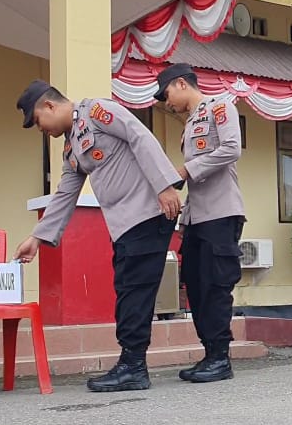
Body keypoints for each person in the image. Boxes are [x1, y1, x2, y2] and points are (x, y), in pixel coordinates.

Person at [13, 80, 182, 392]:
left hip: (147, 212)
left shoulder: (97, 112)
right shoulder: (72, 145)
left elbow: (140, 135)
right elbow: (65, 194)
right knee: (128, 289)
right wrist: (37, 238)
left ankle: (133, 366)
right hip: (125, 224)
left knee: (134, 290)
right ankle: (132, 363)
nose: (41, 130)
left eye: (38, 121)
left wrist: (164, 185)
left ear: (49, 106)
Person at [154, 63, 245, 382]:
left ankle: (221, 357)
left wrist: (185, 171)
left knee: (216, 286)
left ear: (181, 84)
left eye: (167, 95)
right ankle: (210, 353)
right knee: (195, 285)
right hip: (196, 217)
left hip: (221, 214)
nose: (167, 104)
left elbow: (232, 149)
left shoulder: (221, 106)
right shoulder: (189, 124)